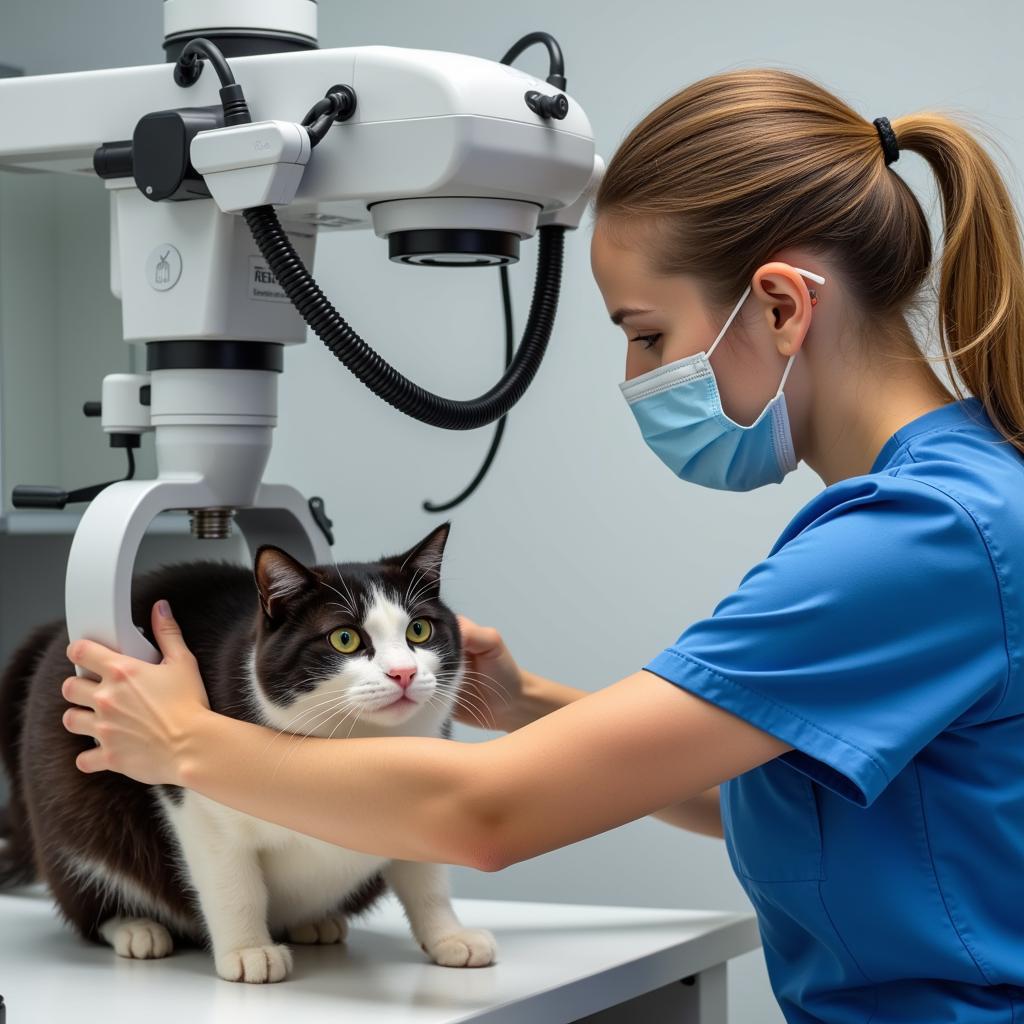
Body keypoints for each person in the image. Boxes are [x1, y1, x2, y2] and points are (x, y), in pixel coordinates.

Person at [60, 67, 1024, 1021]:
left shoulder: (917, 541)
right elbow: (752, 791)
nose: (634, 375)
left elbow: (483, 818)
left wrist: (185, 744)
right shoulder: (959, 499)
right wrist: (524, 706)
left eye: (646, 336)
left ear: (780, 308)